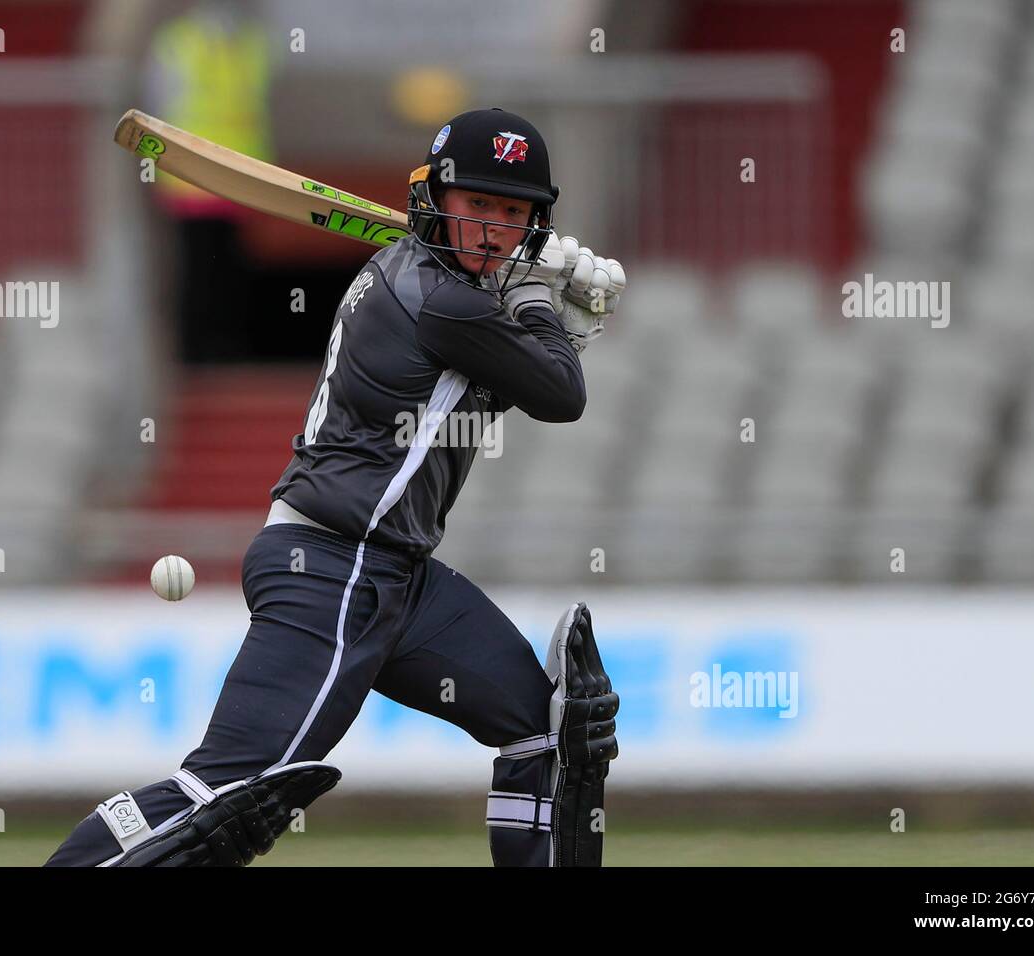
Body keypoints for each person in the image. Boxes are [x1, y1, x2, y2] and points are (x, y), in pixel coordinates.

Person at [46, 108, 625, 868]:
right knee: (226, 797)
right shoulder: (444, 299)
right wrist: (544, 300)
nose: (493, 228)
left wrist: (544, 318)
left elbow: (517, 379)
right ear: (436, 199)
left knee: (549, 727)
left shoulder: (432, 284)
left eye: (512, 213)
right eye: (478, 205)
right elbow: (562, 394)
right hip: (332, 569)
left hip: (397, 579)